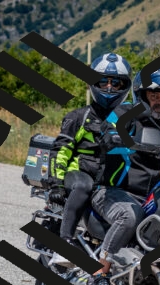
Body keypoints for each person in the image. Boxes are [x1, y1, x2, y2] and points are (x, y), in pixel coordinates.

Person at [86, 66, 160, 285]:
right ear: (142, 95)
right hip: (112, 192)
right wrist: (112, 135)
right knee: (129, 216)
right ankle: (99, 275)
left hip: (148, 196)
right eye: (154, 96)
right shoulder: (125, 112)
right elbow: (108, 128)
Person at [47, 52, 133, 268]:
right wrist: (56, 183)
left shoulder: (128, 120)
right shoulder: (79, 116)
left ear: (125, 86)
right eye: (103, 81)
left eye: (116, 82)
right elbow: (61, 150)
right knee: (83, 185)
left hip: (107, 182)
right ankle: (64, 244)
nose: (109, 87)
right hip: (79, 173)